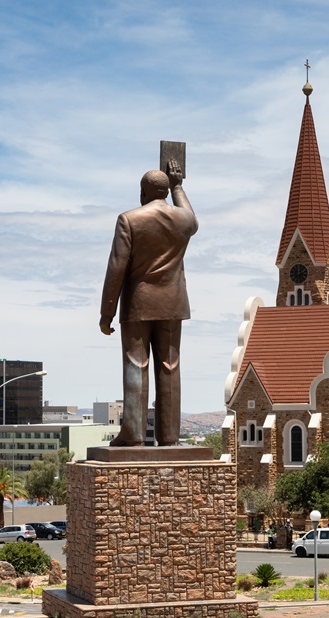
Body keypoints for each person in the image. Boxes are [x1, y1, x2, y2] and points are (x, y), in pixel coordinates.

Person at [100, 160, 197, 446]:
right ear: (166, 192)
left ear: (143, 192)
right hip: (173, 303)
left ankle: (134, 434)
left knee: (136, 364)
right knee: (170, 366)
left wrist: (107, 313)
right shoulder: (183, 220)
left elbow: (116, 268)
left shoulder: (129, 219)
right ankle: (169, 436)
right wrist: (179, 185)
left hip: (139, 305)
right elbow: (192, 216)